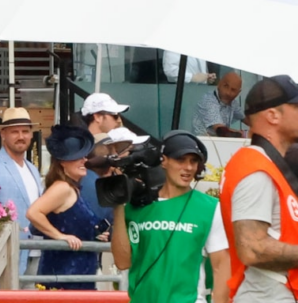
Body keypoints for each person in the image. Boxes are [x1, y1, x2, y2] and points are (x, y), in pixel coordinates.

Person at [113, 131, 230, 303]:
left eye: (193, 161)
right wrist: (117, 205)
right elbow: (122, 262)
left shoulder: (211, 208)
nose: (189, 167)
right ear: (164, 161)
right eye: (181, 160)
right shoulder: (137, 206)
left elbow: (221, 267)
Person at [222, 72, 298, 303]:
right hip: (267, 294)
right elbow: (252, 249)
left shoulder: (267, 165)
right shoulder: (255, 168)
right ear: (273, 115)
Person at [31, 124, 112, 290]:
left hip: (77, 277)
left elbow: (72, 224)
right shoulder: (62, 187)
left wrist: (95, 234)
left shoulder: (72, 188)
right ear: (63, 162)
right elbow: (33, 213)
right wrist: (60, 236)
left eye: (84, 156)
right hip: (63, 279)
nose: (84, 160)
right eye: (77, 157)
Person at [0, 106, 42, 225]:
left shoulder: (33, 169)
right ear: (3, 134)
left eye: (25, 131)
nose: (21, 137)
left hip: (35, 242)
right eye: (15, 132)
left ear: (31, 134)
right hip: (7, 241)